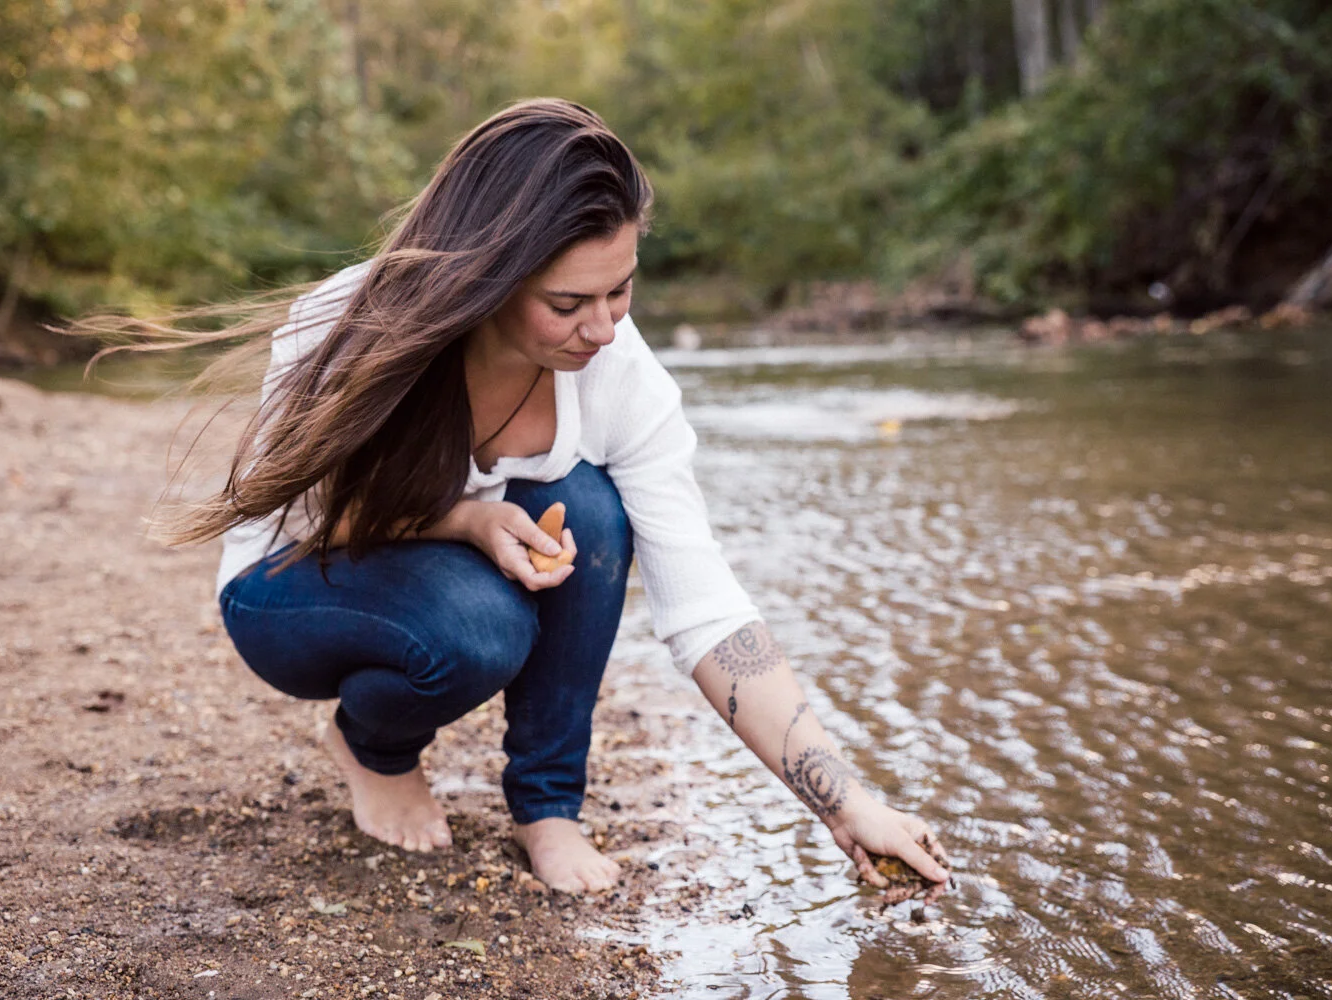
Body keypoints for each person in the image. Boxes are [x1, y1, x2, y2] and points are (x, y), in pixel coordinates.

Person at [171, 99, 950, 895]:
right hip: (288, 589)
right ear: (485, 278)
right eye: (568, 305)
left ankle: (548, 807)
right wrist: (467, 519)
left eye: (621, 290)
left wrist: (845, 803)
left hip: (428, 568)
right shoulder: (345, 324)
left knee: (593, 510)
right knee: (483, 628)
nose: (605, 329)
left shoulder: (622, 374)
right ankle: (376, 748)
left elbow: (704, 604)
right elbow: (296, 517)